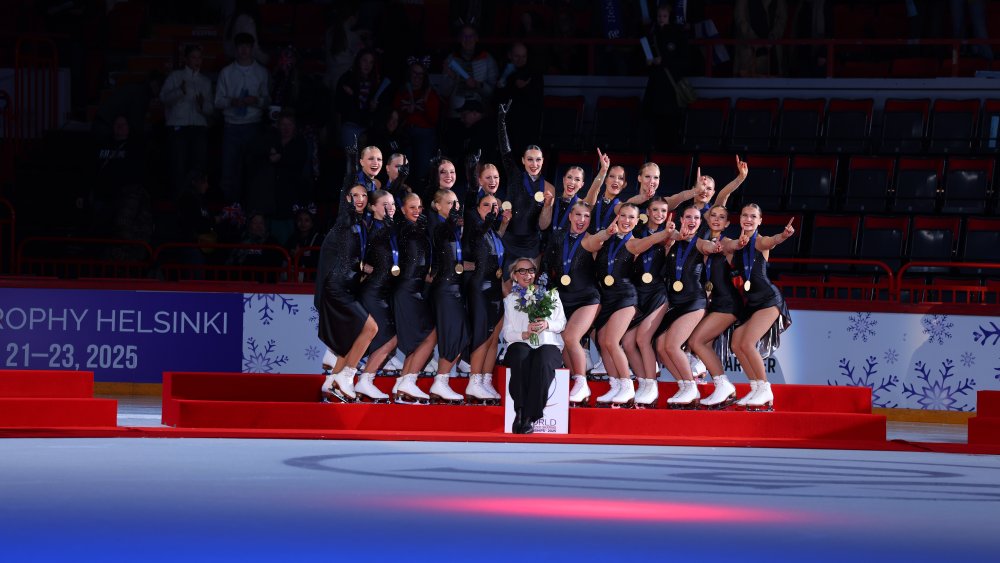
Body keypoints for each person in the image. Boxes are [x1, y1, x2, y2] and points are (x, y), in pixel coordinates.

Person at [590, 203, 675, 407]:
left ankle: (628, 385)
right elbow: (591, 246)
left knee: (612, 341)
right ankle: (616, 384)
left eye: (631, 218)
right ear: (617, 217)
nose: (627, 221)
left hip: (625, 296)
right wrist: (605, 234)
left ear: (638, 221)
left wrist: (665, 232)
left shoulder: (633, 243)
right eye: (623, 216)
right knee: (603, 341)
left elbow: (648, 240)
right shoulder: (606, 239)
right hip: (607, 298)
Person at [727, 204, 795, 411]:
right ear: (739, 219)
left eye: (753, 216)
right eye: (745, 215)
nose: (748, 219)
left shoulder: (759, 242)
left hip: (768, 300)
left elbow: (772, 241)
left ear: (760, 221)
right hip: (751, 303)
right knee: (736, 344)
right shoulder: (734, 245)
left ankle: (766, 389)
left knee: (747, 343)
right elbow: (725, 248)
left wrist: (783, 236)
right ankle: (756, 388)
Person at [316, 184, 378, 402]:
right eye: (354, 196)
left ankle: (331, 382)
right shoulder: (345, 221)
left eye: (363, 195)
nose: (360, 199)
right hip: (337, 288)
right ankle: (346, 376)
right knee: (371, 328)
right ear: (347, 199)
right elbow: (349, 260)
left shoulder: (361, 223)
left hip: (346, 287)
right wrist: (353, 159)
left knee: (351, 337)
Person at [541, 201, 601, 406]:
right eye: (578, 215)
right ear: (570, 216)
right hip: (563, 298)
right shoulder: (557, 238)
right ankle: (578, 381)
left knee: (571, 336)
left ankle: (582, 381)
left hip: (588, 298)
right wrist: (546, 294)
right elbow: (547, 267)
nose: (581, 220)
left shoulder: (592, 240)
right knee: (566, 340)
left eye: (586, 216)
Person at [502, 257, 567, 434]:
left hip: (548, 343)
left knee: (543, 360)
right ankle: (520, 412)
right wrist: (525, 333)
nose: (527, 274)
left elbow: (561, 323)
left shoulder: (550, 294)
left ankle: (530, 417)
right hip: (521, 343)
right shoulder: (510, 301)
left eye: (530, 270)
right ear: (514, 276)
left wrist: (547, 325)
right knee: (519, 356)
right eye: (521, 271)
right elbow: (507, 333)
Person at [655, 204, 711, 409]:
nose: (692, 221)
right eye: (688, 217)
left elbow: (710, 247)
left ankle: (690, 386)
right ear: (681, 219)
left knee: (671, 345)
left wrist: (716, 247)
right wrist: (675, 235)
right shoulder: (672, 241)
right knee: (661, 346)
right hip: (675, 301)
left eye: (696, 218)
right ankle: (684, 385)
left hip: (694, 301)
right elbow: (664, 238)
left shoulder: (700, 243)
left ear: (700, 222)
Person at [687, 204, 742, 408]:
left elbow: (732, 246)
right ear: (707, 219)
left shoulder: (726, 242)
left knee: (696, 341)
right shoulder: (704, 243)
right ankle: (721, 387)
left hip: (729, 303)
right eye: (713, 216)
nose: (717, 219)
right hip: (715, 303)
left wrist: (740, 243)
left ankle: (723, 384)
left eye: (722, 217)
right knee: (705, 344)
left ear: (727, 223)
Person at [623, 197, 675, 408]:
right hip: (638, 294)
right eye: (655, 210)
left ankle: (652, 386)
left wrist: (672, 238)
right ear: (648, 211)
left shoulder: (670, 235)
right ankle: (644, 382)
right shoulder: (636, 232)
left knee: (643, 338)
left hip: (657, 293)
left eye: (664, 210)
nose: (660, 214)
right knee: (627, 342)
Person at [462, 193, 510, 404]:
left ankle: (485, 379)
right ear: (477, 208)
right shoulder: (475, 229)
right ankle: (473, 381)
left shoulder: (493, 232)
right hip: (480, 288)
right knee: (482, 335)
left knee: (493, 338)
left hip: (495, 289)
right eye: (486, 205)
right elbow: (474, 237)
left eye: (495, 205)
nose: (492, 208)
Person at [497, 101, 556, 271]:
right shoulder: (515, 176)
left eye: (538, 159)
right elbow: (505, 151)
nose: (534, 163)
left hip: (531, 244)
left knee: (528, 290)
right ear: (523, 161)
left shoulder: (549, 188)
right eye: (530, 159)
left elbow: (544, 226)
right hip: (508, 239)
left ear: (543, 161)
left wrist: (546, 207)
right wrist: (501, 120)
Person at [391, 192, 437, 404]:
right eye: (412, 207)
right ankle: (408, 381)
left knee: (419, 340)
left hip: (416, 288)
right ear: (402, 210)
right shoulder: (404, 228)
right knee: (429, 335)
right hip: (407, 290)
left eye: (419, 207)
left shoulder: (419, 229)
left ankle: (402, 384)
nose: (417, 211)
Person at [354, 190, 399, 403]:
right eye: (384, 205)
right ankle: (363, 379)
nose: (389, 208)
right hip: (372, 291)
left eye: (392, 205)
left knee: (385, 337)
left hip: (384, 291)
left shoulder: (389, 228)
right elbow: (371, 242)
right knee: (389, 337)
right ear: (372, 207)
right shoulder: (372, 227)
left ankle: (361, 377)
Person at [215, 32, 270, 204]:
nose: (244, 50)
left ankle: (252, 210)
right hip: (231, 126)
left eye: (247, 46)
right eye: (241, 46)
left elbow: (267, 100)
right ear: (236, 49)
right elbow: (218, 101)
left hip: (253, 125)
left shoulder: (261, 72)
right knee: (230, 171)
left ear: (252, 48)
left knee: (252, 170)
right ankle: (230, 209)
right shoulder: (226, 72)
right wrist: (232, 101)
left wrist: (256, 100)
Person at [427, 189, 468, 404]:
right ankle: (440, 382)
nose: (455, 207)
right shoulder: (439, 226)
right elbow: (439, 237)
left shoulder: (454, 229)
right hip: (444, 289)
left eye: (457, 203)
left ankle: (440, 383)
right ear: (437, 206)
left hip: (455, 289)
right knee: (453, 336)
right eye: (450, 203)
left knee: (460, 336)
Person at [160, 44, 213, 196]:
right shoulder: (175, 77)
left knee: (198, 166)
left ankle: (196, 201)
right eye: (193, 57)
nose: (197, 61)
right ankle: (178, 201)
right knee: (178, 166)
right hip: (178, 127)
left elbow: (210, 109)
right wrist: (180, 91)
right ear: (186, 59)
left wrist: (202, 105)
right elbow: (164, 98)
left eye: (199, 57)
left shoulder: (205, 81)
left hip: (198, 128)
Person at [642, 4, 691, 150]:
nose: (661, 19)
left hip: (670, 82)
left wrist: (664, 61)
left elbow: (682, 58)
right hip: (656, 82)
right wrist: (649, 61)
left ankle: (670, 147)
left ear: (669, 17)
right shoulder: (653, 33)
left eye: (664, 16)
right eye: (659, 16)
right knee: (654, 116)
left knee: (670, 117)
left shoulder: (677, 34)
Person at [394, 57, 441, 185]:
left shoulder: (430, 94)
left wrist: (423, 106)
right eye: (414, 73)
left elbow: (434, 119)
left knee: (422, 171)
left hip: (425, 134)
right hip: (406, 133)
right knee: (404, 171)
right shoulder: (402, 92)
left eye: (421, 74)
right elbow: (395, 115)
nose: (417, 77)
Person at [442, 24, 498, 123]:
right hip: (456, 114)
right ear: (459, 39)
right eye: (464, 36)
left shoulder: (487, 59)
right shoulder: (451, 60)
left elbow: (493, 92)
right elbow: (444, 92)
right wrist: (452, 77)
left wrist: (478, 85)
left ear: (476, 38)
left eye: (471, 36)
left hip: (480, 113)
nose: (468, 39)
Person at [496, 42, 543, 155]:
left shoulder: (534, 74)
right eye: (517, 56)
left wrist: (523, 88)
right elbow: (498, 99)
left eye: (523, 56)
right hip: (507, 126)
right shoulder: (504, 73)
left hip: (527, 126)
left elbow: (537, 100)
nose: (520, 60)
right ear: (510, 55)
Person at [335, 49, 385, 155]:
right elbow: (339, 105)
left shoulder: (374, 81)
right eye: (365, 61)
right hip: (350, 125)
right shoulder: (347, 78)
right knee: (351, 161)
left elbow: (374, 109)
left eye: (371, 62)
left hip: (366, 128)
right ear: (358, 61)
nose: (368, 65)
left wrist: (373, 108)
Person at [285, 203, 321, 281]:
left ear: (312, 223)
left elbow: (319, 261)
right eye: (300, 220)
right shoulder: (292, 239)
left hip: (313, 281)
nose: (303, 223)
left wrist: (300, 256)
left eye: (307, 220)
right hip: (294, 281)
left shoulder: (319, 239)